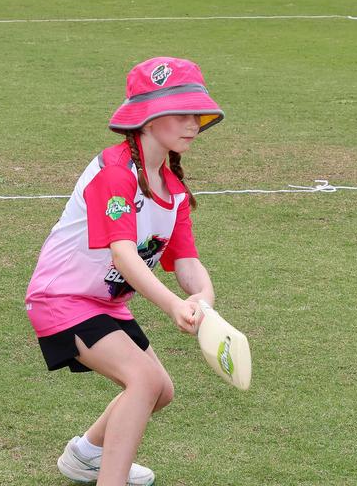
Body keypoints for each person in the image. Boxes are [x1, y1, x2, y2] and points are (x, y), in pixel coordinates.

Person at [25, 57, 224, 485]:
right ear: (148, 119)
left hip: (104, 304)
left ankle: (86, 454)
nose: (194, 123)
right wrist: (173, 305)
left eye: (197, 114)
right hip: (62, 298)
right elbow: (124, 256)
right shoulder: (116, 175)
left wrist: (203, 301)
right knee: (143, 380)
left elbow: (186, 262)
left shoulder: (173, 189)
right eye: (181, 112)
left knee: (161, 391)